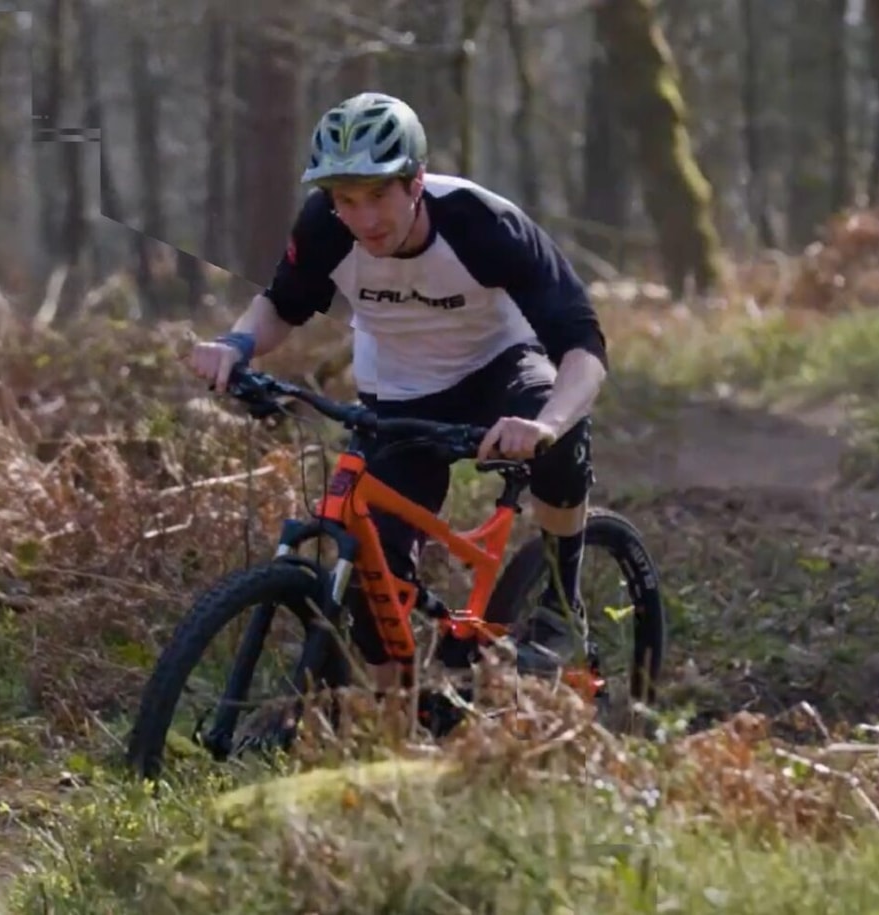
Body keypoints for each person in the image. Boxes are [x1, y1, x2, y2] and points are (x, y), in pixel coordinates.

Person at [184, 91, 606, 679]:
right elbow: (282, 305)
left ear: (415, 182)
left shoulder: (483, 224)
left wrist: (546, 425)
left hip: (499, 367)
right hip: (399, 392)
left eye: (379, 195)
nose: (364, 219)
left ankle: (563, 601)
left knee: (558, 428)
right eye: (346, 200)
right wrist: (236, 344)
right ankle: (397, 723)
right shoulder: (326, 228)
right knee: (370, 580)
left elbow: (585, 349)